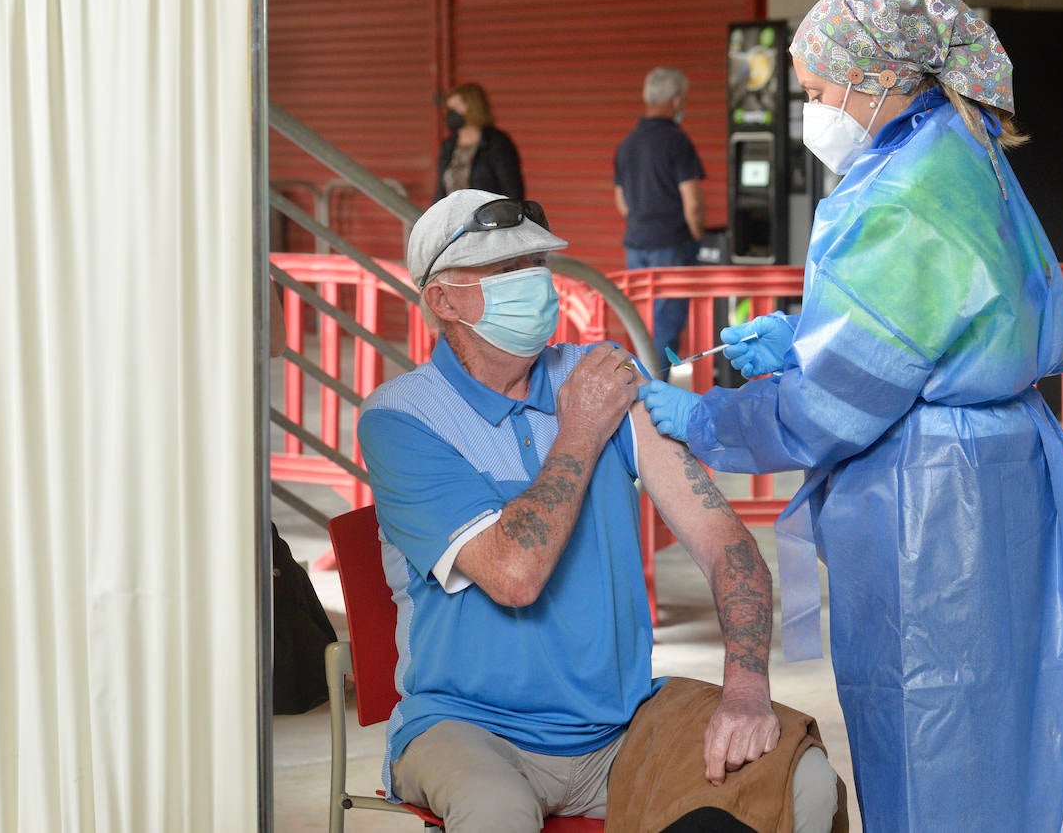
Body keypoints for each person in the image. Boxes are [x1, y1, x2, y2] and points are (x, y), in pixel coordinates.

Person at [637, 0, 1063, 832]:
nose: (811, 112)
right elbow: (937, 315)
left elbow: (832, 411)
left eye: (812, 92)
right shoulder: (958, 149)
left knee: (933, 736)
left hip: (934, 506)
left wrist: (705, 419)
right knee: (1010, 722)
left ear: (873, 76)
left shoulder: (892, 196)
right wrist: (807, 335)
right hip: (1002, 468)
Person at [357, 188, 845, 833]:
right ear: (442, 299)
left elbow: (726, 545)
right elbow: (513, 575)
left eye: (536, 265)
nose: (531, 285)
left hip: (620, 725)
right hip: (468, 725)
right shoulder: (402, 418)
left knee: (804, 781)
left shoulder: (600, 372)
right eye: (504, 272)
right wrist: (581, 429)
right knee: (495, 811)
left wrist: (746, 692)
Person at [614, 66, 706, 366]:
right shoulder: (677, 142)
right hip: (670, 245)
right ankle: (655, 397)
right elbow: (692, 201)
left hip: (635, 245)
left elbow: (622, 203)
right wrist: (697, 235)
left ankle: (638, 392)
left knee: (639, 327)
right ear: (676, 101)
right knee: (665, 328)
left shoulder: (627, 143)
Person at [434, 82, 525, 202]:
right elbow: (441, 190)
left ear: (473, 108)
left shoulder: (497, 143)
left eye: (454, 109)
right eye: (449, 110)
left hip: (488, 217)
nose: (450, 115)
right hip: (454, 218)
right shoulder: (449, 145)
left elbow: (513, 191)